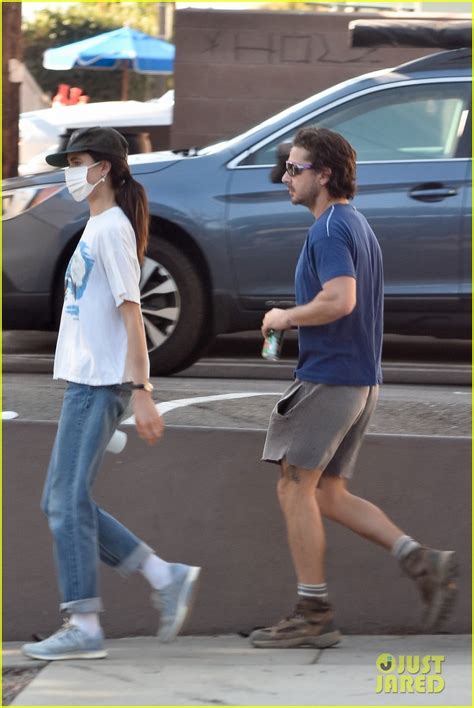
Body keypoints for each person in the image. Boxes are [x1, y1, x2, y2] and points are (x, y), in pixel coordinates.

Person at [250, 127, 458, 649]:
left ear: (324, 174)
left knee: (294, 488)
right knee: (328, 493)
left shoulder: (328, 230)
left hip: (330, 377)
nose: (285, 178)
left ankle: (313, 613)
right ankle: (421, 559)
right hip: (360, 380)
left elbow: (340, 300)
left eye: (295, 169)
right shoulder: (355, 224)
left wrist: (284, 317)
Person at [22, 127, 201, 662]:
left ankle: (84, 623)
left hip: (101, 384)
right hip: (88, 381)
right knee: (62, 501)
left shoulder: (113, 231)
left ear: (105, 168)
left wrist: (142, 390)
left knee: (65, 502)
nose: (69, 172)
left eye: (76, 161)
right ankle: (162, 574)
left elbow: (133, 313)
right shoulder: (98, 226)